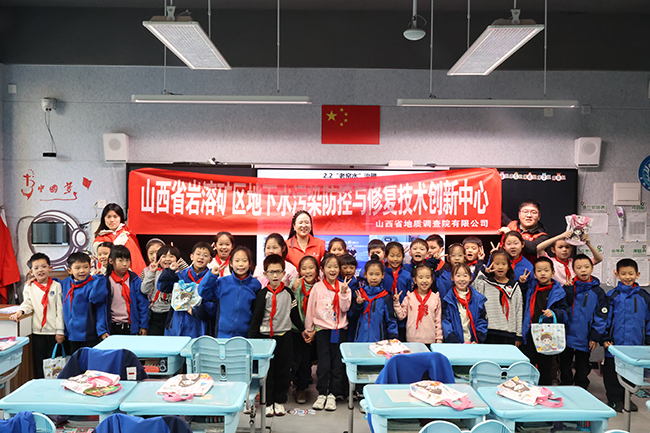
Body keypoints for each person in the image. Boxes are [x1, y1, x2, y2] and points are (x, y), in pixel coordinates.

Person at [249, 254, 304, 417]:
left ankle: (279, 400)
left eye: (278, 272)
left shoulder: (288, 293)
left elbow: (294, 314)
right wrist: (252, 340)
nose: (274, 275)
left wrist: (303, 330)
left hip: (284, 337)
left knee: (283, 370)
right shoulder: (261, 295)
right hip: (265, 338)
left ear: (283, 273)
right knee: (268, 371)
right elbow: (256, 319)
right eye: (271, 272)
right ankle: (267, 402)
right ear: (265, 274)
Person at [303, 253, 352, 411]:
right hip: (323, 331)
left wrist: (343, 293)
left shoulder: (344, 287)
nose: (332, 270)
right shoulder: (317, 287)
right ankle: (322, 393)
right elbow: (311, 309)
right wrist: (309, 329)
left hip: (339, 331)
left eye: (335, 267)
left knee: (337, 364)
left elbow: (345, 308)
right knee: (323, 364)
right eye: (329, 266)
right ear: (322, 269)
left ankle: (333, 394)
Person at [602, 258, 650, 412]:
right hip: (615, 345)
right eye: (623, 274)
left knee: (632, 373)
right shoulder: (612, 295)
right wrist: (605, 338)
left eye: (631, 274)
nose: (627, 277)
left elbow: (648, 320)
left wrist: (648, 339)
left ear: (638, 274)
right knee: (612, 373)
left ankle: (626, 399)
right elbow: (604, 319)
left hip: (636, 345)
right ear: (617, 274)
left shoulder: (644, 296)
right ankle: (614, 399)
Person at [10, 253, 65, 378]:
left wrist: (60, 331)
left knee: (55, 364)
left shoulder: (56, 286)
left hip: (54, 332)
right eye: (36, 268)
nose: (40, 270)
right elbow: (27, 303)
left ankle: (54, 385)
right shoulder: (29, 287)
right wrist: (20, 311)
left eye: (44, 266)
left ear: (50, 268)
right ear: (31, 271)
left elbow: (60, 309)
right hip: (37, 332)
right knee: (39, 363)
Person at [559, 254, 607, 390]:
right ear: (573, 270)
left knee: (583, 365)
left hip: (585, 336)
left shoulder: (598, 291)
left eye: (586, 267)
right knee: (564, 364)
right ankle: (566, 386)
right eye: (579, 267)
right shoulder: (568, 288)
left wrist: (595, 337)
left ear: (592, 268)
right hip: (566, 335)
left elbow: (601, 316)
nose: (583, 270)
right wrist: (568, 292)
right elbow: (562, 309)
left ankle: (581, 387)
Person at [519, 257, 569, 386]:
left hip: (547, 335)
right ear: (534, 274)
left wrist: (554, 313)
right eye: (539, 271)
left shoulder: (558, 291)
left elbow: (565, 313)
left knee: (545, 366)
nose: (543, 273)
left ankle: (544, 389)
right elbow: (520, 299)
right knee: (527, 364)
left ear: (553, 273)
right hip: (530, 332)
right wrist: (522, 284)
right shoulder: (530, 287)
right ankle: (527, 389)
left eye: (546, 270)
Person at [199, 246, 262, 338]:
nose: (241, 264)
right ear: (231, 263)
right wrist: (212, 275)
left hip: (246, 336)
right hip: (222, 334)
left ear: (249, 264)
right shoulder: (222, 282)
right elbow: (203, 292)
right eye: (237, 261)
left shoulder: (255, 284)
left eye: (244, 261)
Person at [158, 242, 214, 338]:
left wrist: (198, 312)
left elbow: (212, 303)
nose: (201, 257)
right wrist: (169, 271)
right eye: (198, 254)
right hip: (178, 321)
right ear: (191, 256)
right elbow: (163, 287)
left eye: (205, 255)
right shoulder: (181, 275)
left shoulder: (211, 278)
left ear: (210, 260)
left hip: (199, 324)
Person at [94, 245, 149, 336]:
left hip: (132, 326)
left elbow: (142, 304)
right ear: (111, 261)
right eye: (120, 260)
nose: (125, 264)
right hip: (112, 326)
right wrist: (102, 330)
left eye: (127, 260)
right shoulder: (106, 281)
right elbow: (100, 307)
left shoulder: (134, 280)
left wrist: (143, 325)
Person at [473, 250, 523, 346]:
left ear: (509, 266)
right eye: (497, 264)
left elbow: (519, 310)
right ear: (491, 265)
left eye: (504, 264)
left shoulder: (515, 286)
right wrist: (484, 273)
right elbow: (474, 288)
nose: (500, 267)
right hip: (488, 331)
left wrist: (519, 335)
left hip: (509, 332)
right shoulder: (485, 283)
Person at [61, 252, 108, 353]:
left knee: (90, 359)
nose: (82, 271)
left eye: (86, 267)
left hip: (89, 334)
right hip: (71, 335)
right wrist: (36, 279)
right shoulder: (65, 283)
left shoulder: (94, 282)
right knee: (74, 360)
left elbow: (98, 301)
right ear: (69, 270)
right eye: (77, 268)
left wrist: (99, 279)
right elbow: (50, 282)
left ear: (90, 267)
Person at [290, 255, 320, 404]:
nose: (307, 271)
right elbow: (291, 307)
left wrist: (314, 330)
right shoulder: (295, 285)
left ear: (317, 270)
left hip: (314, 330)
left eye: (311, 268)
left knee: (307, 361)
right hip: (297, 329)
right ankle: (298, 387)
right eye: (304, 268)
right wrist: (293, 289)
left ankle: (304, 387)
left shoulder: (320, 287)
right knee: (297, 360)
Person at [349, 259, 398, 342]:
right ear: (365, 275)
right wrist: (358, 304)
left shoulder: (385, 296)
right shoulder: (359, 293)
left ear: (382, 275)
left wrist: (393, 338)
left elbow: (391, 320)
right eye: (371, 274)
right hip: (360, 339)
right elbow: (351, 315)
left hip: (379, 341)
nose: (374, 278)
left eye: (377, 274)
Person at [393, 265, 443, 344]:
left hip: (430, 340)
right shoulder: (409, 297)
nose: (424, 280)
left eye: (427, 277)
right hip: (412, 340)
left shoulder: (435, 298)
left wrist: (439, 340)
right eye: (421, 277)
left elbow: (438, 321)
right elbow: (401, 315)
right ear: (415, 280)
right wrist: (396, 302)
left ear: (431, 280)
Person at [93, 203, 146, 275]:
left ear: (121, 218)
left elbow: (136, 259)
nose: (112, 220)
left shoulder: (129, 235)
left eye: (115, 216)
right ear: (104, 219)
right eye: (108, 217)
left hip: (130, 276)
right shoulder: (99, 239)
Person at [536, 230, 603, 286]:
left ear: (571, 249)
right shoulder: (550, 262)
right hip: (557, 293)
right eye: (560, 247)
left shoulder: (575, 263)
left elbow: (598, 259)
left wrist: (588, 244)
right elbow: (539, 248)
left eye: (567, 247)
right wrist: (561, 236)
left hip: (574, 293)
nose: (564, 250)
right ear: (553, 250)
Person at [441, 264, 487, 343]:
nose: (462, 279)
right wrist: (454, 342)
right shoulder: (447, 299)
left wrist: (478, 340)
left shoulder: (478, 299)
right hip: (455, 344)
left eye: (465, 276)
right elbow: (446, 323)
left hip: (474, 343)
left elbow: (482, 320)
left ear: (470, 278)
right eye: (458, 276)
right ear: (452, 278)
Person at [141, 245, 180, 335]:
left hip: (172, 315)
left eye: (171, 256)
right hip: (155, 314)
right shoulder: (155, 272)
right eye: (164, 256)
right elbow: (144, 290)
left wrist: (172, 270)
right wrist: (151, 272)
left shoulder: (179, 274)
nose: (167, 259)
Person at [383, 242, 413, 341]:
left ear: (403, 257)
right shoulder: (382, 274)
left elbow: (410, 295)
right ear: (386, 256)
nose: (395, 259)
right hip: (385, 314)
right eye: (392, 256)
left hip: (402, 315)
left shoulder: (407, 275)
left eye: (398, 256)